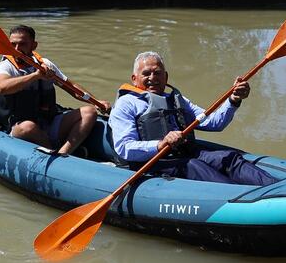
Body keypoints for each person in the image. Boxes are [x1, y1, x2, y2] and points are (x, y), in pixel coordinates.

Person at [108, 51, 277, 185]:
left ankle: (275, 188)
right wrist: (161, 144)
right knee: (196, 167)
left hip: (186, 152)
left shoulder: (177, 100)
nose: (152, 78)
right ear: (134, 79)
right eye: (146, 73)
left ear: (166, 77)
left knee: (229, 158)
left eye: (157, 73)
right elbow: (124, 148)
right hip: (153, 161)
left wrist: (233, 100)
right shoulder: (127, 104)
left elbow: (214, 122)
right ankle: (246, 201)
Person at [0, 24, 110, 155]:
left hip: (47, 121)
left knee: (89, 112)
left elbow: (71, 88)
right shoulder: (4, 66)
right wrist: (35, 76)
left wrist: (95, 101)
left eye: (22, 44)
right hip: (16, 127)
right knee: (28, 127)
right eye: (12, 45)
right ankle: (53, 151)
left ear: (34, 45)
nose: (17, 49)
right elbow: (3, 87)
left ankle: (64, 153)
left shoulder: (46, 65)